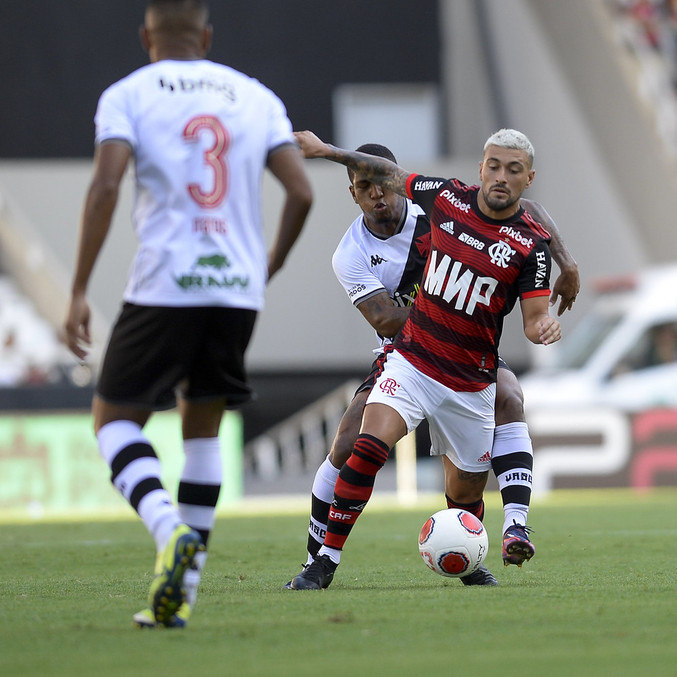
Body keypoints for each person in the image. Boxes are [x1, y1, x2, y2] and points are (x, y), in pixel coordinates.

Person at [63, 0, 312, 628]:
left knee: (113, 419)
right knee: (201, 429)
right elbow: (302, 191)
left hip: (165, 284)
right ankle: (182, 596)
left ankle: (167, 528)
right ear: (207, 34)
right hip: (235, 292)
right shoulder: (256, 96)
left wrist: (78, 289)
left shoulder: (128, 95)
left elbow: (106, 186)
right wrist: (268, 264)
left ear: (146, 33)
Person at [284, 141, 579, 588]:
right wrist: (455, 311)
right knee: (352, 445)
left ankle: (495, 536)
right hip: (407, 351)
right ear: (354, 193)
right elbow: (383, 317)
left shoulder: (437, 204)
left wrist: (567, 264)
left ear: (394, 179)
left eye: (381, 184)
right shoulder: (351, 252)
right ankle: (319, 558)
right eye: (364, 188)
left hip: (470, 360)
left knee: (505, 407)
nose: (377, 195)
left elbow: (526, 210)